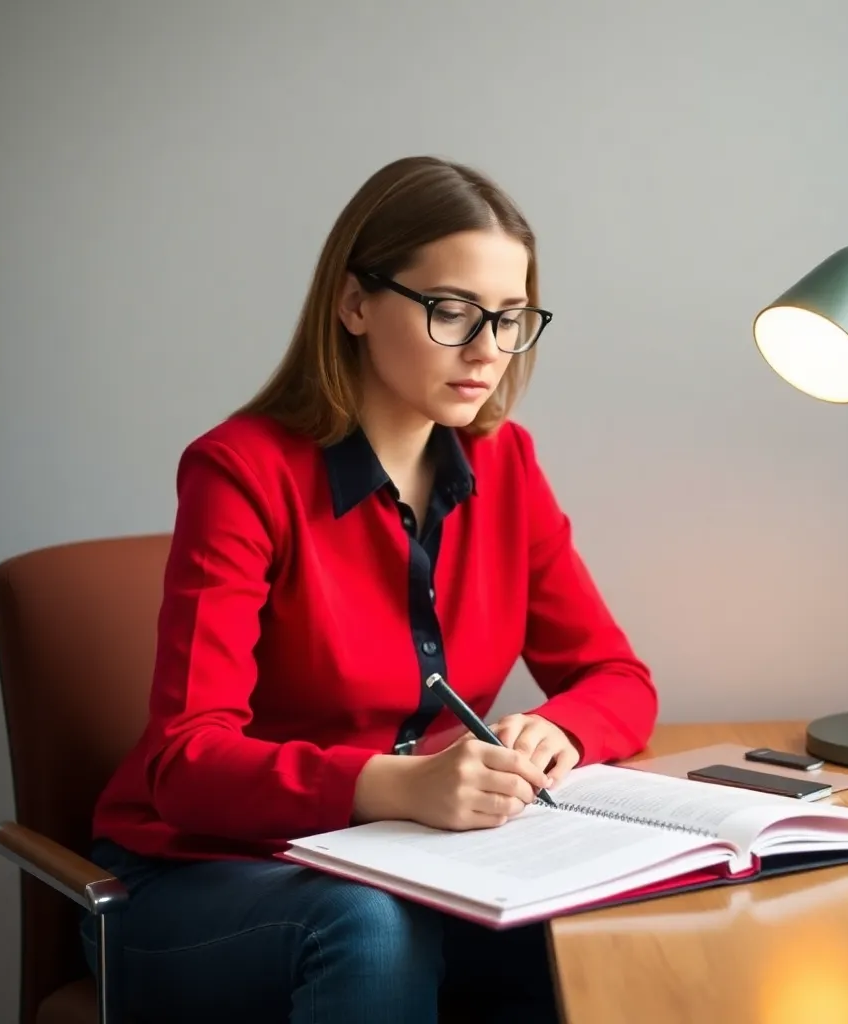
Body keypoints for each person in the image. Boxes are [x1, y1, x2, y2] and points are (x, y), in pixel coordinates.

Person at [80, 154, 658, 1024]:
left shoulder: (506, 466)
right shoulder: (239, 473)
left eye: (510, 319)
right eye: (452, 311)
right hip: (198, 885)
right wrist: (396, 786)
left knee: (597, 917)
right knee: (372, 927)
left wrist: (555, 731)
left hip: (408, 866)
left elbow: (620, 679)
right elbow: (184, 764)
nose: (486, 352)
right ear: (355, 303)